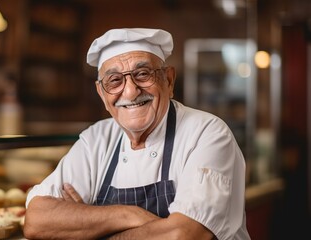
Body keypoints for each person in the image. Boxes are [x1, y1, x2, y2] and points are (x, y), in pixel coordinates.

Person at [23, 28, 251, 240]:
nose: (131, 91)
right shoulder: (96, 140)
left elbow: (183, 235)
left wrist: (89, 223)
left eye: (143, 74)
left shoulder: (206, 133)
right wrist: (127, 215)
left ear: (169, 80)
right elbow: (36, 220)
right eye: (114, 80)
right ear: (102, 94)